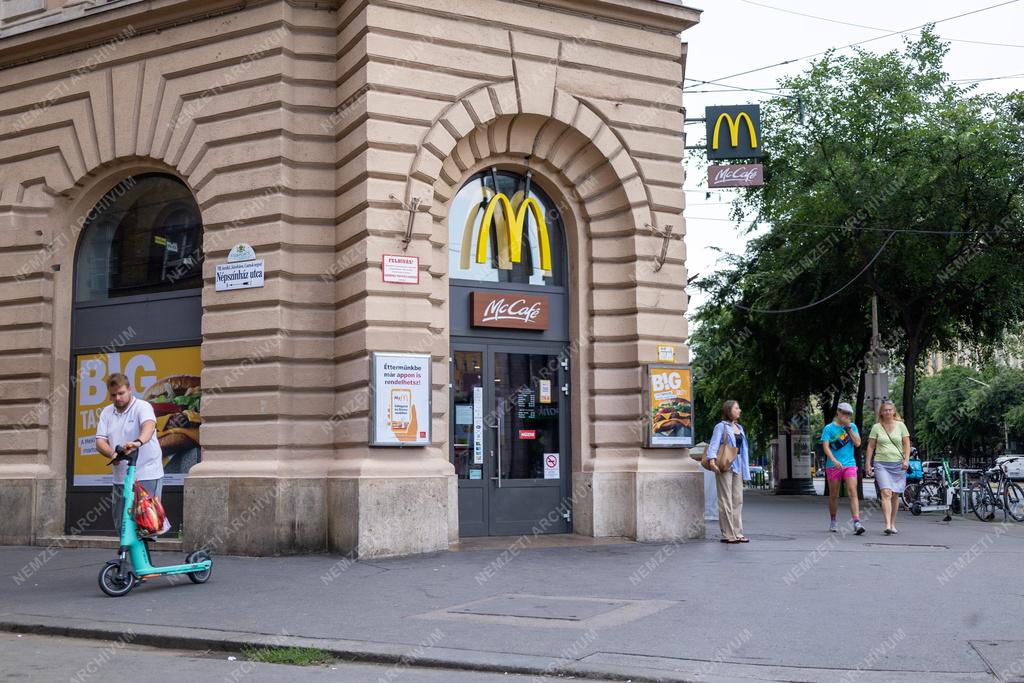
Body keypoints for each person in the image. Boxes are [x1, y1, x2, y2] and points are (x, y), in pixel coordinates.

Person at [95, 373, 164, 534]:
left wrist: (138, 442)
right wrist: (112, 454)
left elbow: (149, 427)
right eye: (113, 395)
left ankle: (142, 551)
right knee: (123, 527)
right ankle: (127, 551)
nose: (117, 398)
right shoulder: (106, 412)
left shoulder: (143, 407)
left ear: (130, 390)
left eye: (121, 393)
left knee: (147, 527)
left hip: (146, 474)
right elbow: (100, 442)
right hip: (121, 477)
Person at [706, 400, 751, 543]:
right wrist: (712, 461)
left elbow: (743, 449)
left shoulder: (740, 428)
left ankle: (738, 532)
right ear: (728, 410)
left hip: (738, 465)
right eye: (736, 408)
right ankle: (728, 534)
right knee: (725, 500)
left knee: (738, 500)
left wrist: (745, 469)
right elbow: (714, 444)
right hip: (725, 465)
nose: (739, 410)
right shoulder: (721, 426)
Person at [865, 400, 911, 535]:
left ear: (894, 411)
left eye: (890, 410)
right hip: (881, 463)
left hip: (898, 464)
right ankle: (887, 525)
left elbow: (906, 444)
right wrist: (868, 463)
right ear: (881, 412)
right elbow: (871, 446)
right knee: (886, 493)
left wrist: (906, 460)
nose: (888, 412)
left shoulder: (901, 425)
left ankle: (893, 523)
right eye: (885, 410)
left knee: (895, 495)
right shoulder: (876, 427)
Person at [821, 402, 864, 534]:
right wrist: (834, 460)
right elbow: (826, 447)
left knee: (852, 491)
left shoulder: (852, 427)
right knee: (834, 495)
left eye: (848, 414)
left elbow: (858, 443)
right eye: (844, 413)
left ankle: (856, 522)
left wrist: (849, 428)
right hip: (833, 465)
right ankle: (833, 520)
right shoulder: (829, 428)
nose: (846, 415)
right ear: (838, 412)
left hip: (849, 464)